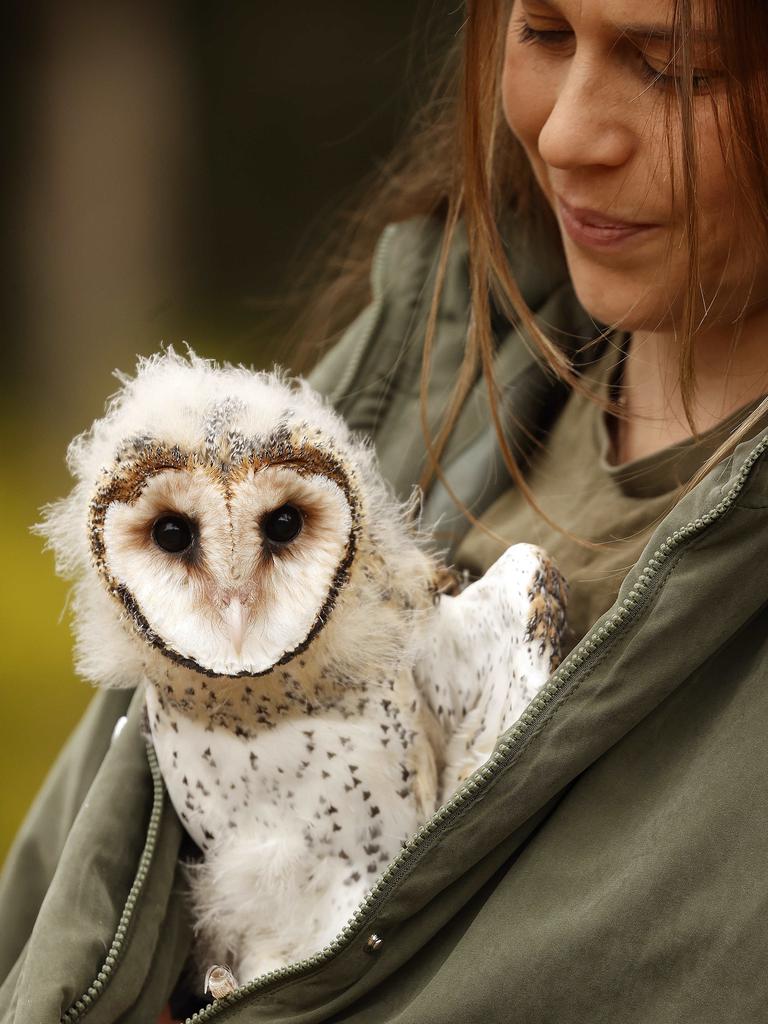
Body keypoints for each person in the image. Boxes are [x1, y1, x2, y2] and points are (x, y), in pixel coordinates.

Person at [3, 0, 768, 1020]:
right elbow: (56, 904)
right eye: (542, 33)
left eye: (677, 69)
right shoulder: (429, 355)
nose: (570, 133)